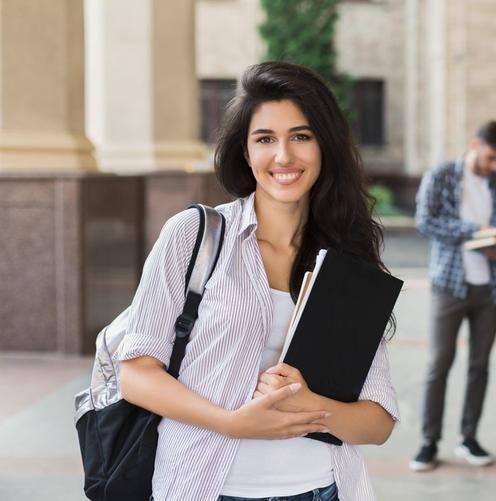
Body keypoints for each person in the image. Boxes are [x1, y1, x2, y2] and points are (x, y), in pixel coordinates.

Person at [117, 61, 399, 501]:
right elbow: (135, 374)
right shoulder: (195, 235)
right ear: (245, 153)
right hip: (202, 486)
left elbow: (377, 423)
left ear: (324, 147)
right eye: (265, 139)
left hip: (321, 489)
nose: (283, 156)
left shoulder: (348, 261)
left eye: (301, 137)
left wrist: (311, 405)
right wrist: (233, 422)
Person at [410, 121, 496, 471]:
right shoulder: (441, 175)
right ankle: (429, 442)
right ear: (475, 144)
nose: (494, 166)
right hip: (450, 284)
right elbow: (426, 221)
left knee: (479, 365)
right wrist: (475, 232)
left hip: (491, 287)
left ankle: (469, 438)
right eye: (490, 157)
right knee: (438, 363)